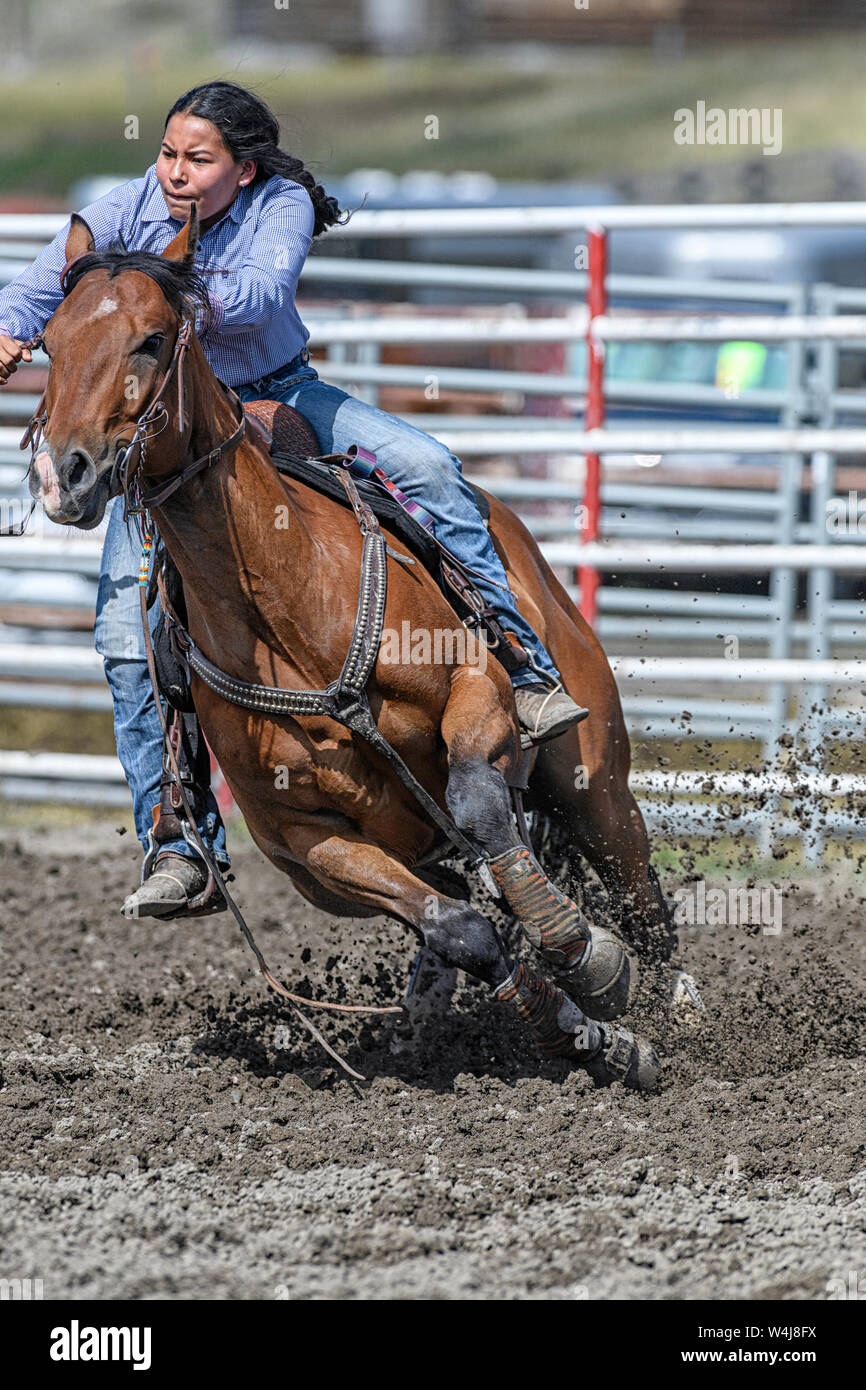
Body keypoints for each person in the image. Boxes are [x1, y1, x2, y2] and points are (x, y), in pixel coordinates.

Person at [0, 81, 586, 920]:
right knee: (127, 635)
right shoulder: (121, 209)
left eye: (198, 160)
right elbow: (36, 288)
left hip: (281, 394)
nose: (175, 172)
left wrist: (162, 297)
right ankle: (178, 840)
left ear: (242, 168)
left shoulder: (281, 206)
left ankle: (521, 664)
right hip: (169, 435)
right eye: (168, 153)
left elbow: (262, 298)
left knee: (429, 469)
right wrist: (10, 326)